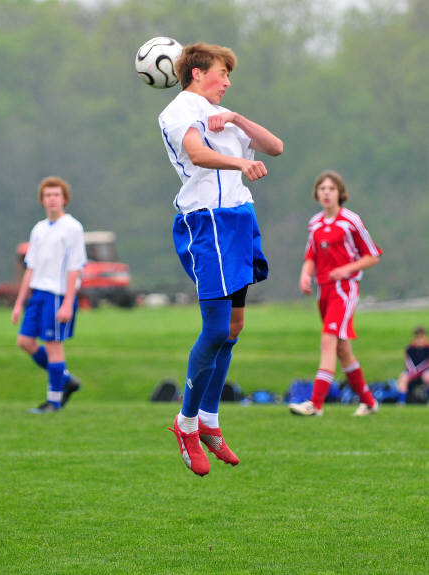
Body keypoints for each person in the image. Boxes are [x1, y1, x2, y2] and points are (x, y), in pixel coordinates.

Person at [159, 42, 283, 476]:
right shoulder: (179, 110)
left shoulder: (222, 114)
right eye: (221, 73)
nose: (227, 81)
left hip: (239, 220)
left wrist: (236, 118)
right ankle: (186, 423)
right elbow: (197, 153)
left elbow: (275, 147)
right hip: (206, 222)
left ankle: (210, 421)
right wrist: (239, 164)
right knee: (214, 328)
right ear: (197, 73)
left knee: (233, 328)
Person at [289, 170, 381, 417]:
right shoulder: (315, 223)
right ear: (317, 194)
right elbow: (311, 255)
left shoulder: (351, 221)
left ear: (340, 193)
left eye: (331, 188)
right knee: (342, 349)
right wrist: (305, 275)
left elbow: (372, 255)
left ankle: (315, 404)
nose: (327, 193)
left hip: (345, 289)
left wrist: (346, 269)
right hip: (324, 291)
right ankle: (369, 402)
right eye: (322, 189)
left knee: (328, 340)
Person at [11, 176, 87, 413]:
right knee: (24, 341)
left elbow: (75, 268)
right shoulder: (39, 229)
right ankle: (65, 379)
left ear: (64, 199)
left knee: (54, 346)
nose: (52, 199)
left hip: (58, 295)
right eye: (47, 195)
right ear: (42, 200)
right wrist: (19, 303)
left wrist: (68, 303)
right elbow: (30, 268)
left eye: (56, 195)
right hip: (38, 295)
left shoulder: (73, 228)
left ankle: (53, 402)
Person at [397, 326, 429, 405]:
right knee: (403, 378)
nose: (419, 340)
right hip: (411, 372)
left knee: (427, 377)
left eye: (421, 337)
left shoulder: (427, 348)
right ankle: (401, 402)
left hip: (424, 372)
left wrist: (417, 372)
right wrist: (412, 372)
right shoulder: (410, 349)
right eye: (417, 338)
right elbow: (408, 363)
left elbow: (426, 364)